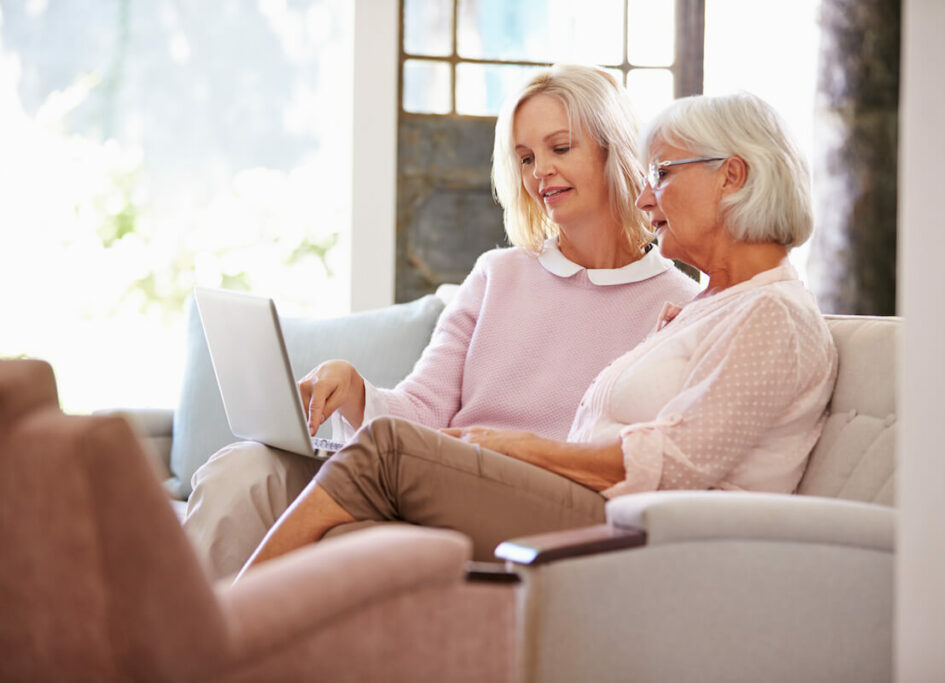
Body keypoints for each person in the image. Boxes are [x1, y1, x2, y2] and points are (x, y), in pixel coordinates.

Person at [235, 91, 839, 579]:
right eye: (525, 157)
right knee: (351, 528)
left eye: (662, 173)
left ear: (731, 176)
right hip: (605, 510)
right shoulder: (716, 306)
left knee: (389, 450)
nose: (647, 194)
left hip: (649, 537)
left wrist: (513, 447)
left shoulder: (773, 313)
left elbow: (677, 464)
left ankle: (210, 637)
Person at [184, 64, 700, 578]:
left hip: (521, 506)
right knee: (242, 470)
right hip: (423, 475)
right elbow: (424, 409)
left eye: (560, 148)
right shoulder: (498, 275)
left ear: (614, 149)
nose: (539, 170)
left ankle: (219, 638)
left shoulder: (680, 306)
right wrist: (356, 391)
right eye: (525, 157)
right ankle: (183, 649)